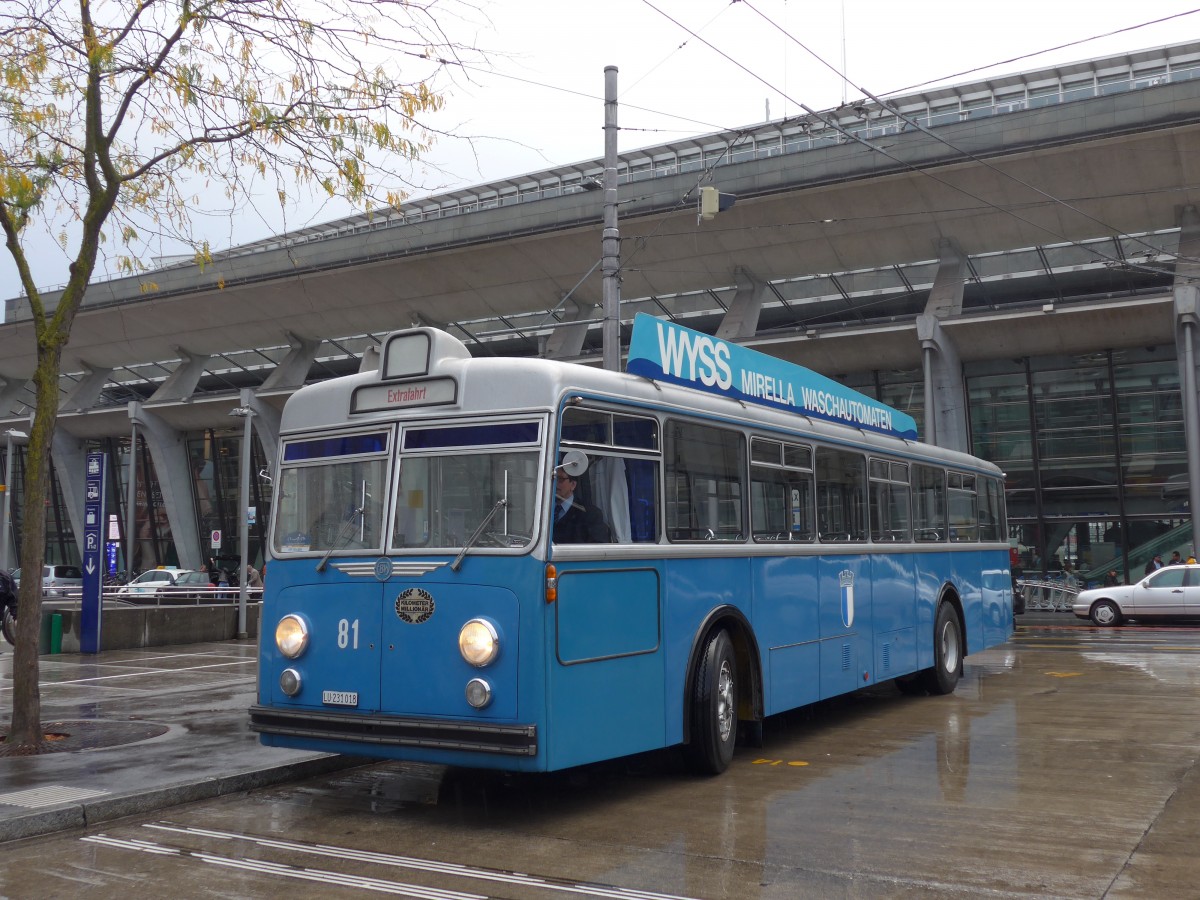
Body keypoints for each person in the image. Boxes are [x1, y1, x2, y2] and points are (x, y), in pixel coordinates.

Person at [552, 469, 610, 543]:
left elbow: (598, 548)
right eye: (553, 478)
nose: (555, 483)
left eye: (560, 479)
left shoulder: (590, 514)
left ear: (573, 485)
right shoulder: (540, 508)